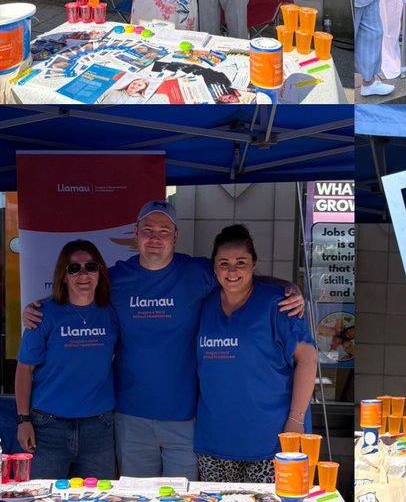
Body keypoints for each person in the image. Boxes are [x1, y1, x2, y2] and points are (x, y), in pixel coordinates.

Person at [22, 199, 305, 477]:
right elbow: (78, 290)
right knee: (138, 496)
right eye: (147, 230)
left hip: (184, 416)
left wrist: (288, 287)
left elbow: (236, 275)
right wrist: (39, 307)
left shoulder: (197, 272)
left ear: (175, 236)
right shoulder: (116, 277)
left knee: (181, 495)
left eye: (163, 231)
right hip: (131, 414)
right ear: (136, 234)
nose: (155, 238)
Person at [195, 224, 317, 482]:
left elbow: (308, 358)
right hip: (215, 442)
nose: (232, 271)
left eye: (241, 262)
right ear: (214, 268)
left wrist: (296, 421)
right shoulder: (204, 305)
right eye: (224, 263)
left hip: (273, 443)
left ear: (253, 265)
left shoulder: (278, 303)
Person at [16, 241, 117, 477]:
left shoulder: (112, 313)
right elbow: (24, 369)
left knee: (98, 494)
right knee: (44, 493)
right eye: (74, 268)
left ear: (100, 273)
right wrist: (23, 420)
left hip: (98, 428)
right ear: (63, 276)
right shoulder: (42, 314)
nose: (83, 274)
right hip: (48, 428)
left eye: (90, 267)